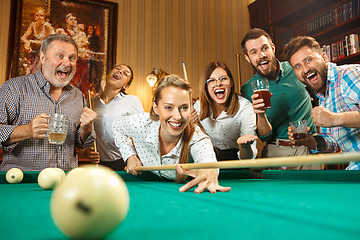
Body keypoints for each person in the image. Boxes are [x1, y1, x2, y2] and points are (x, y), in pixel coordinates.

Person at [112, 74, 231, 193]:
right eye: (168, 107)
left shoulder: (197, 137)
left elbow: (207, 160)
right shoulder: (141, 123)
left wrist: (209, 172)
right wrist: (130, 156)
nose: (177, 117)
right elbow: (116, 126)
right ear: (156, 108)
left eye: (184, 108)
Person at [0, 33, 97, 171]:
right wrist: (27, 130)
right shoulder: (13, 88)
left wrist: (87, 128)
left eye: (72, 58)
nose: (67, 62)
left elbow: (82, 143)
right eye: (60, 56)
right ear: (43, 57)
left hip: (66, 181)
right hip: (23, 184)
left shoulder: (78, 96)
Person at [240, 28, 319, 169]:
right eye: (254, 52)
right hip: (276, 152)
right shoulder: (247, 89)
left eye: (265, 48)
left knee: (313, 191)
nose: (262, 55)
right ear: (248, 58)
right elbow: (264, 137)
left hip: (309, 148)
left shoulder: (296, 68)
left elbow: (320, 97)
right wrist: (260, 114)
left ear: (273, 48)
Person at [283, 35, 360, 170]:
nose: (305, 69)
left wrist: (335, 118)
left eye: (308, 60)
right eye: (298, 66)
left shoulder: (348, 74)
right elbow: (333, 144)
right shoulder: (323, 98)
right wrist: (307, 140)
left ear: (324, 58)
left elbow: (334, 120)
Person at [192, 61, 257, 161]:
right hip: (206, 161)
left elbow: (248, 158)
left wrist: (244, 146)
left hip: (236, 164)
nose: (218, 84)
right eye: (211, 81)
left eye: (224, 79)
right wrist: (188, 125)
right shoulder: (198, 107)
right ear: (206, 86)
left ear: (231, 83)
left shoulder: (245, 108)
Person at [83, 64, 144, 170]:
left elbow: (142, 133)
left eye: (125, 73)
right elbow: (86, 135)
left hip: (124, 161)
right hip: (100, 164)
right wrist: (88, 152)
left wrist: (136, 157)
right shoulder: (91, 102)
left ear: (126, 86)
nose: (120, 72)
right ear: (108, 75)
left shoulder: (132, 101)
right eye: (118, 69)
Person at [20, 7, 54, 74]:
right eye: (37, 15)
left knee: (37, 69)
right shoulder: (33, 25)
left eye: (41, 15)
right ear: (34, 17)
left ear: (44, 17)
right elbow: (23, 37)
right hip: (35, 50)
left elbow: (49, 42)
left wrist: (31, 42)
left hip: (45, 51)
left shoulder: (47, 26)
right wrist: (27, 43)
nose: (39, 18)